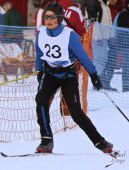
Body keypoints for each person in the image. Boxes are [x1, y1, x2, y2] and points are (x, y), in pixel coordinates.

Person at [35, 2, 113, 153]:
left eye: (51, 17)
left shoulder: (69, 35)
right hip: (50, 73)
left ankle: (100, 142)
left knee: (76, 113)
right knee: (41, 101)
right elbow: (39, 53)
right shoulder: (41, 33)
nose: (48, 20)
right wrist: (39, 71)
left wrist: (94, 75)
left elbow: (83, 57)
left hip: (67, 75)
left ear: (59, 18)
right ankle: (46, 140)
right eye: (46, 17)